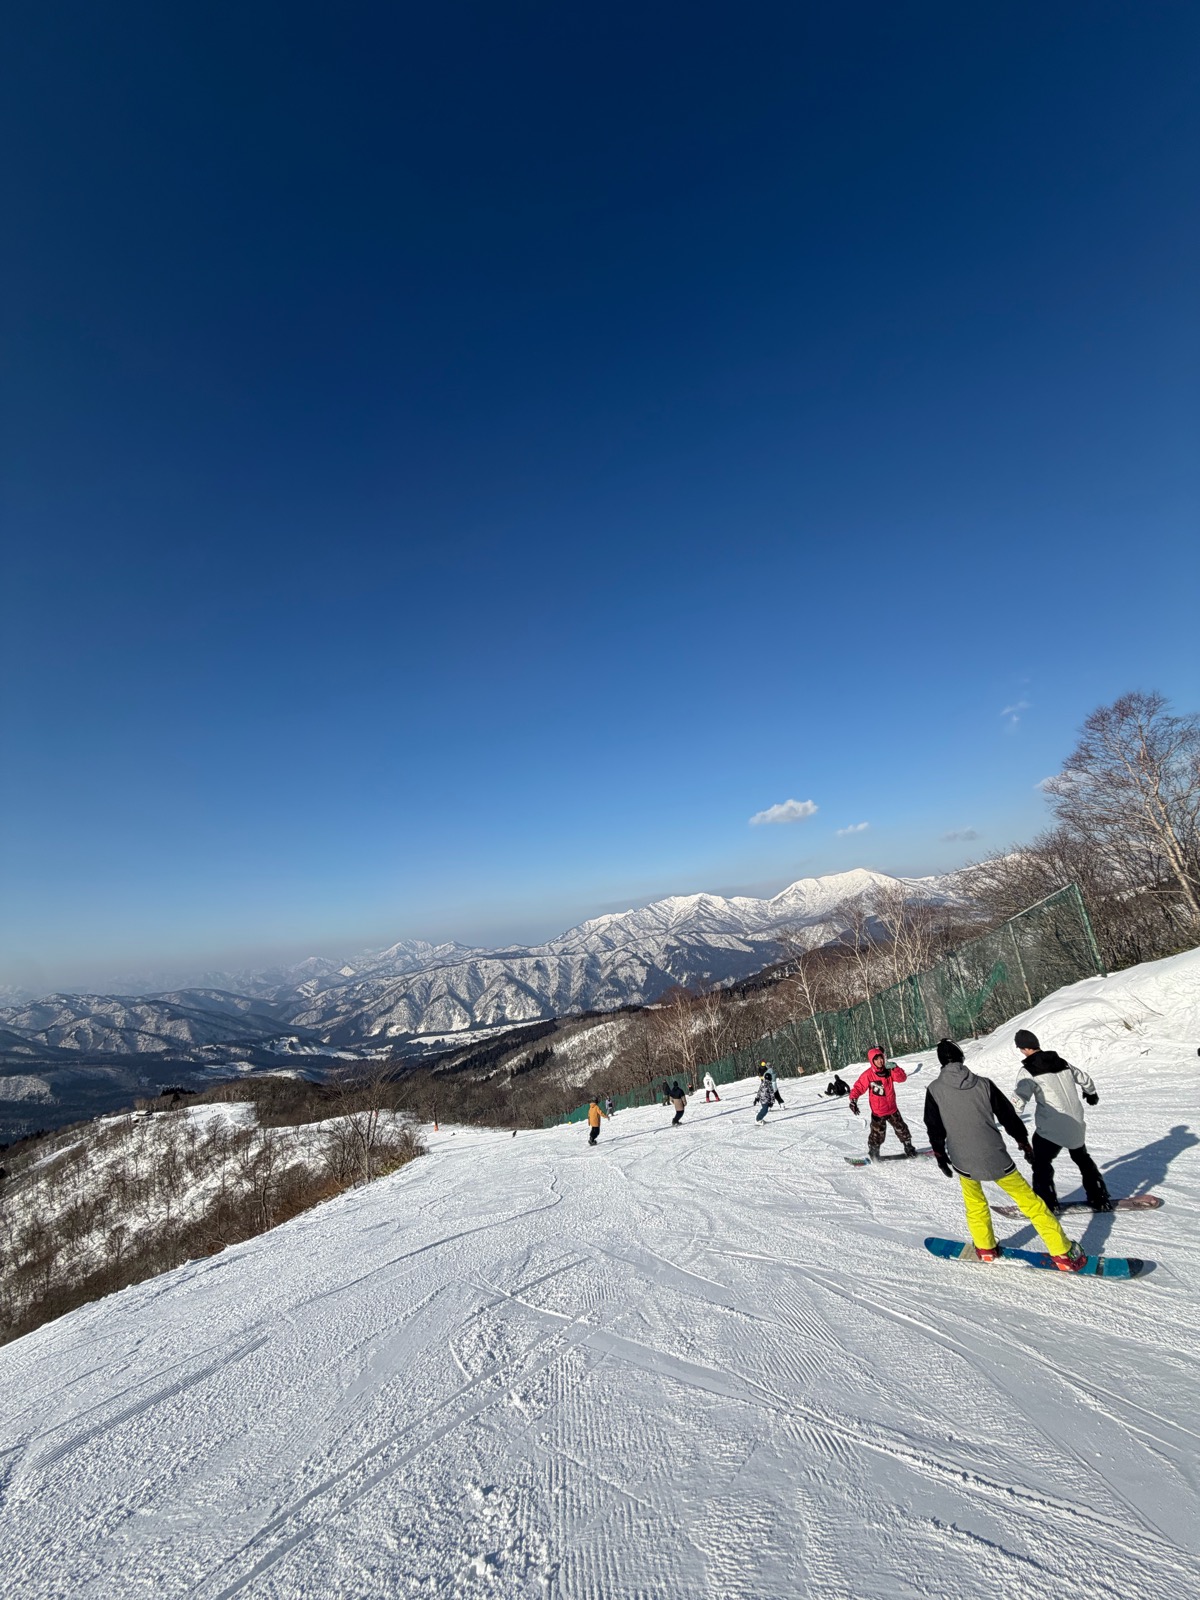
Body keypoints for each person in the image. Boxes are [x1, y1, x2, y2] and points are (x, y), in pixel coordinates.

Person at [924, 1038, 1085, 1271]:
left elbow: (934, 1126)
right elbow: (1008, 1116)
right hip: (995, 1157)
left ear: (941, 1062)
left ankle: (985, 1248)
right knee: (1031, 1203)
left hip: (963, 1161)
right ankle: (1061, 1252)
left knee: (975, 1203)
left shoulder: (934, 1090)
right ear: (961, 1058)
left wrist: (940, 1154)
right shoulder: (983, 1084)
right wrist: (1024, 1143)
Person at [1012, 1029, 1111, 1212]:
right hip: (1076, 1124)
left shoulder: (1028, 1071)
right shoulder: (1062, 1062)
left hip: (1052, 1127)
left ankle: (1047, 1202)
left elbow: (1020, 1096)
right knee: (1082, 1158)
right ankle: (1099, 1197)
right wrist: (1091, 1093)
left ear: (1024, 1049)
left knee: (1041, 1162)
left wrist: (1013, 1118)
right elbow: (1084, 1077)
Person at [849, 1047, 916, 1159]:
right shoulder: (868, 1075)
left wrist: (895, 1068)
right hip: (878, 1112)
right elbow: (858, 1088)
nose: (880, 1061)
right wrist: (853, 1101)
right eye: (876, 1059)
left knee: (903, 1130)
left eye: (881, 1058)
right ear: (872, 1061)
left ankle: (909, 1148)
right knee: (877, 1136)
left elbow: (902, 1078)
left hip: (892, 1109)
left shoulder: (889, 1071)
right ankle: (874, 1153)